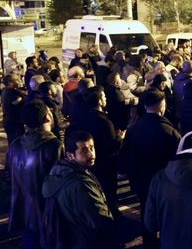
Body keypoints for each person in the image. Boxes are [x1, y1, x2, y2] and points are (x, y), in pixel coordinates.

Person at [121, 89, 181, 248]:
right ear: (162, 106)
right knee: (166, 218)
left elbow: (125, 157)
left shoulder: (133, 130)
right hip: (165, 184)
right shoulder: (170, 132)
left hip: (141, 182)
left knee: (146, 215)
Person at [42, 130, 115, 248]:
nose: (91, 154)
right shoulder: (80, 185)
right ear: (70, 155)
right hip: (85, 242)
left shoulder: (58, 173)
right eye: (84, 150)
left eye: (92, 148)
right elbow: (98, 220)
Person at [7, 100, 63, 248]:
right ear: (47, 118)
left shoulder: (15, 145)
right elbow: (59, 179)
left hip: (22, 204)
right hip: (46, 207)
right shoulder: (53, 145)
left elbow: (9, 174)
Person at [70, 86, 123, 214]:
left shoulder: (82, 119)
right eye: (103, 96)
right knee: (109, 194)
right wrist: (120, 138)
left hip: (89, 163)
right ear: (99, 101)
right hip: (106, 165)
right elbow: (112, 146)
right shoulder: (105, 121)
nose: (105, 99)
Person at [2, 73, 27, 146]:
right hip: (13, 122)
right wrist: (24, 97)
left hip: (13, 121)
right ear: (10, 82)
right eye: (16, 80)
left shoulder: (8, 90)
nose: (19, 81)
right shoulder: (10, 92)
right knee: (16, 143)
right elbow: (17, 102)